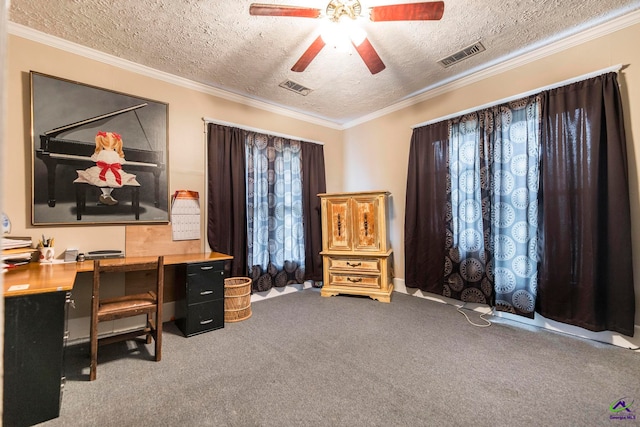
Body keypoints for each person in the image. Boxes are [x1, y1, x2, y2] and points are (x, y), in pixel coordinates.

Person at [74, 131, 140, 205]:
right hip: (113, 172)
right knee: (113, 181)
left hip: (101, 171)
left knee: (102, 181)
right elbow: (122, 161)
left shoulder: (101, 152)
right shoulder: (116, 154)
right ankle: (107, 196)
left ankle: (105, 195)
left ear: (101, 142)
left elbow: (93, 159)